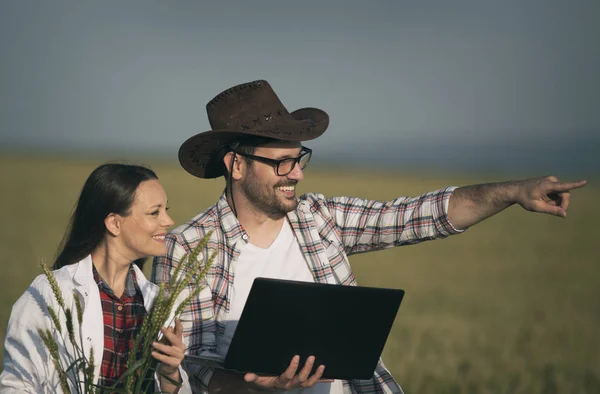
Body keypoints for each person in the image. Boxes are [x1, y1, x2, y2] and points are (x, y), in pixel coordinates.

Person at [151, 80, 587, 394]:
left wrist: (512, 192)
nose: (297, 173)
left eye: (299, 158)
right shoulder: (187, 248)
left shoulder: (320, 218)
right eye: (281, 163)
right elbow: (184, 369)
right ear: (236, 165)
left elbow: (420, 215)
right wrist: (260, 388)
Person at [0, 163, 193, 394]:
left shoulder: (159, 303)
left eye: (166, 210)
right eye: (155, 212)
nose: (168, 221)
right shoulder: (49, 294)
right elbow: (16, 386)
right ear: (114, 223)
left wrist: (169, 373)